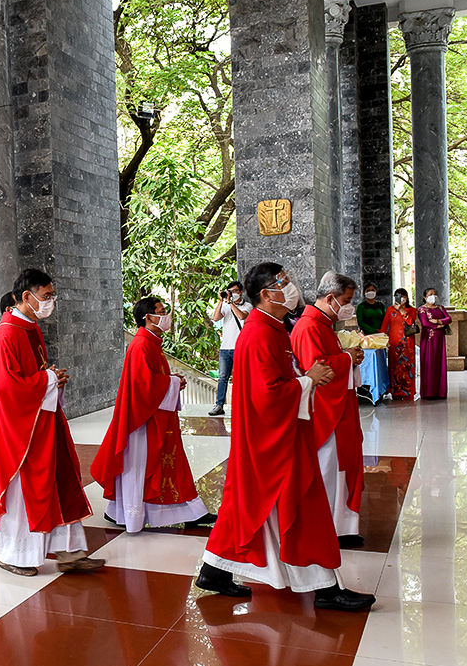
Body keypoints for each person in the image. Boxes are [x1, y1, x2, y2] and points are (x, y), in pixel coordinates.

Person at [195, 262, 375, 612]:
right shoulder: (259, 333)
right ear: (266, 294)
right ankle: (324, 587)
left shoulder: (272, 327)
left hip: (277, 435)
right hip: (275, 439)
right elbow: (268, 395)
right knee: (303, 506)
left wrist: (306, 378)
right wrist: (309, 380)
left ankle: (214, 571)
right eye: (284, 283)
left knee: (249, 508)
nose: (292, 288)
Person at [0, 268, 103, 577]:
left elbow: (35, 375)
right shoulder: (5, 335)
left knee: (61, 482)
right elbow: (7, 389)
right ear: (26, 296)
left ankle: (70, 552)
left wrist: (52, 379)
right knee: (25, 494)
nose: (51, 302)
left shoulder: (30, 329)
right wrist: (48, 379)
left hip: (42, 423)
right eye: (46, 296)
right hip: (19, 434)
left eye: (52, 296)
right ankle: (15, 555)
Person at [91, 296, 214, 531]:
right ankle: (127, 513)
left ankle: (185, 511)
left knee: (164, 466)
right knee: (139, 468)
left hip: (155, 417)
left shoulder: (151, 343)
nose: (166, 315)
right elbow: (142, 386)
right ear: (148, 317)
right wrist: (172, 383)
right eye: (162, 311)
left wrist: (172, 383)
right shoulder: (140, 345)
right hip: (143, 422)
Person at [290, 271, 366, 550]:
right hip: (325, 412)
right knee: (328, 470)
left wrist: (350, 359)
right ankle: (325, 526)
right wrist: (348, 358)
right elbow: (317, 372)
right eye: (346, 300)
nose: (348, 306)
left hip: (339, 409)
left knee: (340, 468)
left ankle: (341, 526)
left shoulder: (323, 324)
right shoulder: (309, 326)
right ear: (331, 298)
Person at [208, 280, 251, 416]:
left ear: (241, 292)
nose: (232, 294)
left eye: (235, 291)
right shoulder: (226, 306)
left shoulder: (248, 306)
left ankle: (241, 405)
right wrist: (221, 301)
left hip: (240, 347)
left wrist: (231, 302)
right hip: (225, 347)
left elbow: (242, 316)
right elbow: (215, 318)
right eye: (230, 292)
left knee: (241, 378)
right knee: (222, 377)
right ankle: (219, 405)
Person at [382, 288, 419, 400]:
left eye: (402, 296)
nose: (400, 298)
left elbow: (411, 323)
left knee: (408, 367)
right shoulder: (390, 310)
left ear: (406, 298)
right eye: (397, 296)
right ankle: (395, 391)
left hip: (408, 344)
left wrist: (402, 310)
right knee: (394, 367)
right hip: (394, 343)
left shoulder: (412, 310)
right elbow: (384, 326)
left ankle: (408, 391)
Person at [418, 287, 452, 400]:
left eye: (435, 294)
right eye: (431, 294)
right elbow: (425, 323)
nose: (434, 296)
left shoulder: (441, 308)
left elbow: (448, 319)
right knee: (428, 363)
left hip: (440, 339)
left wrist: (438, 321)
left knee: (439, 363)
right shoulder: (422, 309)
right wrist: (438, 326)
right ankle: (428, 392)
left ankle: (440, 392)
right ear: (425, 297)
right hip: (428, 340)